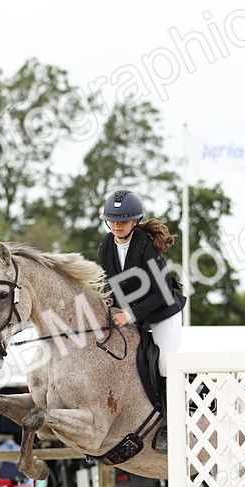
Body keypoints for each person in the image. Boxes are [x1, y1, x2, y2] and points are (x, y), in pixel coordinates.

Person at [95, 189, 187, 454]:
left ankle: (171, 426)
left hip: (163, 315)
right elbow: (112, 283)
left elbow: (160, 292)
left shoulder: (145, 246)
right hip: (133, 315)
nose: (117, 225)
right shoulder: (106, 246)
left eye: (123, 220)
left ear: (135, 221)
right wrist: (110, 301)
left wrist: (130, 314)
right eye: (112, 220)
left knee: (164, 365)